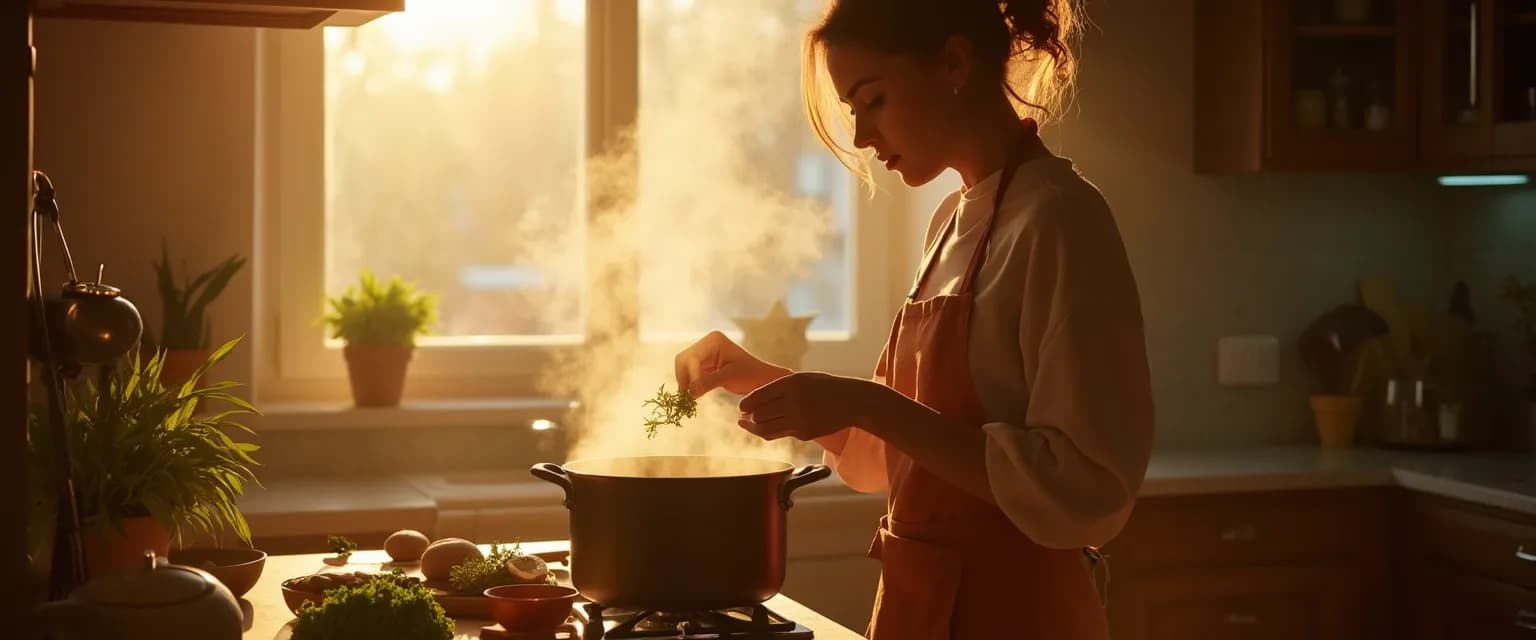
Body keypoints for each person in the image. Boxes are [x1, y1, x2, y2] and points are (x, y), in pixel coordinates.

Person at [674, 0, 1154, 637]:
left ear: (954, 62)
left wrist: (867, 404)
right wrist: (754, 375)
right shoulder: (950, 224)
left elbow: (1083, 491)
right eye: (852, 111)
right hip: (921, 609)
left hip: (1017, 614)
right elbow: (886, 457)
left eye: (873, 101)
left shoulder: (1060, 219)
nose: (861, 138)